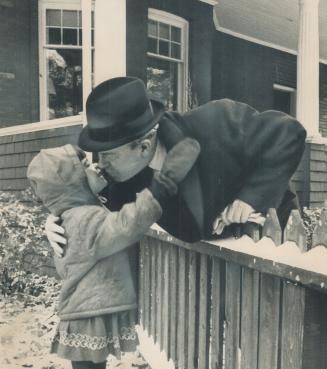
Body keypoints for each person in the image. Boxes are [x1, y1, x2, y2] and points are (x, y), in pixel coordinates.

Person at [27, 138, 200, 369]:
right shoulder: (85, 219)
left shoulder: (71, 216)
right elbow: (127, 224)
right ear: (73, 184)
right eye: (85, 167)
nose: (96, 167)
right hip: (90, 318)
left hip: (84, 318)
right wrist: (162, 185)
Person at [45, 76, 306, 252]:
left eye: (107, 155)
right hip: (217, 261)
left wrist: (250, 197)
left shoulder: (218, 121)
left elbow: (289, 133)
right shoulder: (122, 183)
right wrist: (58, 221)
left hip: (274, 245)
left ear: (145, 146)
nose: (100, 164)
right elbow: (95, 219)